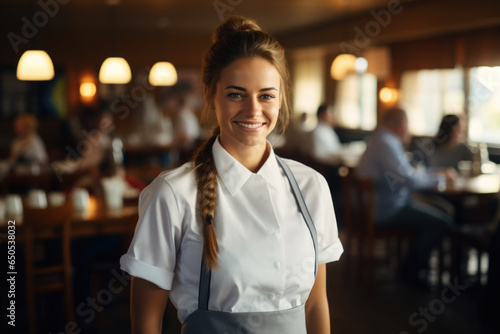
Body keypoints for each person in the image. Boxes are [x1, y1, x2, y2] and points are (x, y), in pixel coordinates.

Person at [120, 16, 343, 334]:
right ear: (211, 95)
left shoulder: (312, 186)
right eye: (236, 94)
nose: (254, 110)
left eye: (266, 95)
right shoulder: (172, 194)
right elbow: (146, 324)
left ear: (280, 98)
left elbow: (316, 305)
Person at [355, 107, 453, 288]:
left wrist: (433, 174)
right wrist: (439, 177)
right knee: (441, 222)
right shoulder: (386, 142)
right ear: (402, 125)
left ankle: (409, 267)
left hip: (380, 204)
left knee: (437, 211)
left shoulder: (380, 138)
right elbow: (408, 179)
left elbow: (405, 173)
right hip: (386, 209)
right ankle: (411, 272)